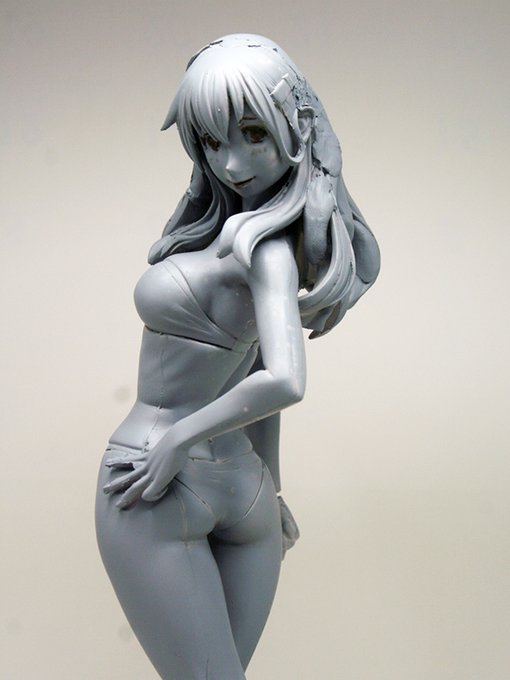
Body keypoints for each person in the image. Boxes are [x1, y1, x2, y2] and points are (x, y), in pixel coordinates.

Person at [96, 33, 379, 680]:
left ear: (296, 129)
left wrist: (176, 441)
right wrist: (270, 486)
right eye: (211, 140)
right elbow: (250, 366)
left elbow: (284, 380)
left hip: (157, 471)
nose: (231, 161)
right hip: (242, 486)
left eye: (253, 134)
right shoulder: (248, 237)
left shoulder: (265, 249)